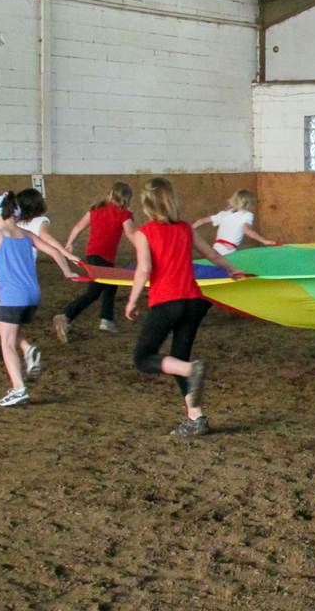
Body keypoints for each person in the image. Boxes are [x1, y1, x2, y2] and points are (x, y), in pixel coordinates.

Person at [125, 177, 246, 437]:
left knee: (143, 358)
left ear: (146, 207)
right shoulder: (184, 228)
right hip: (194, 302)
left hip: (168, 302)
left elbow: (144, 269)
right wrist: (231, 268)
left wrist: (133, 300)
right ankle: (196, 417)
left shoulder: (143, 233)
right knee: (178, 358)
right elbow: (211, 254)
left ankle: (190, 370)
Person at [0, 192, 80, 407]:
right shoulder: (27, 235)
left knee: (7, 342)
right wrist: (67, 271)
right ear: (17, 217)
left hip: (12, 296)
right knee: (14, 330)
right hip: (32, 296)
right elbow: (55, 252)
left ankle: (19, 389)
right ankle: (29, 351)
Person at [55, 182, 137, 341]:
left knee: (112, 283)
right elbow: (131, 234)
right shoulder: (124, 214)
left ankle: (106, 319)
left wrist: (70, 243)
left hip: (94, 255)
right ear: (126, 198)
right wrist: (143, 248)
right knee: (94, 291)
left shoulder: (96, 209)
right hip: (102, 257)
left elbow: (79, 227)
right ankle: (66, 316)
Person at [193, 189, 274, 255]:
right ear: (250, 203)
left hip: (217, 248)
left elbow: (201, 221)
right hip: (227, 251)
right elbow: (247, 231)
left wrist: (188, 230)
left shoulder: (224, 214)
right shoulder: (247, 215)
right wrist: (264, 241)